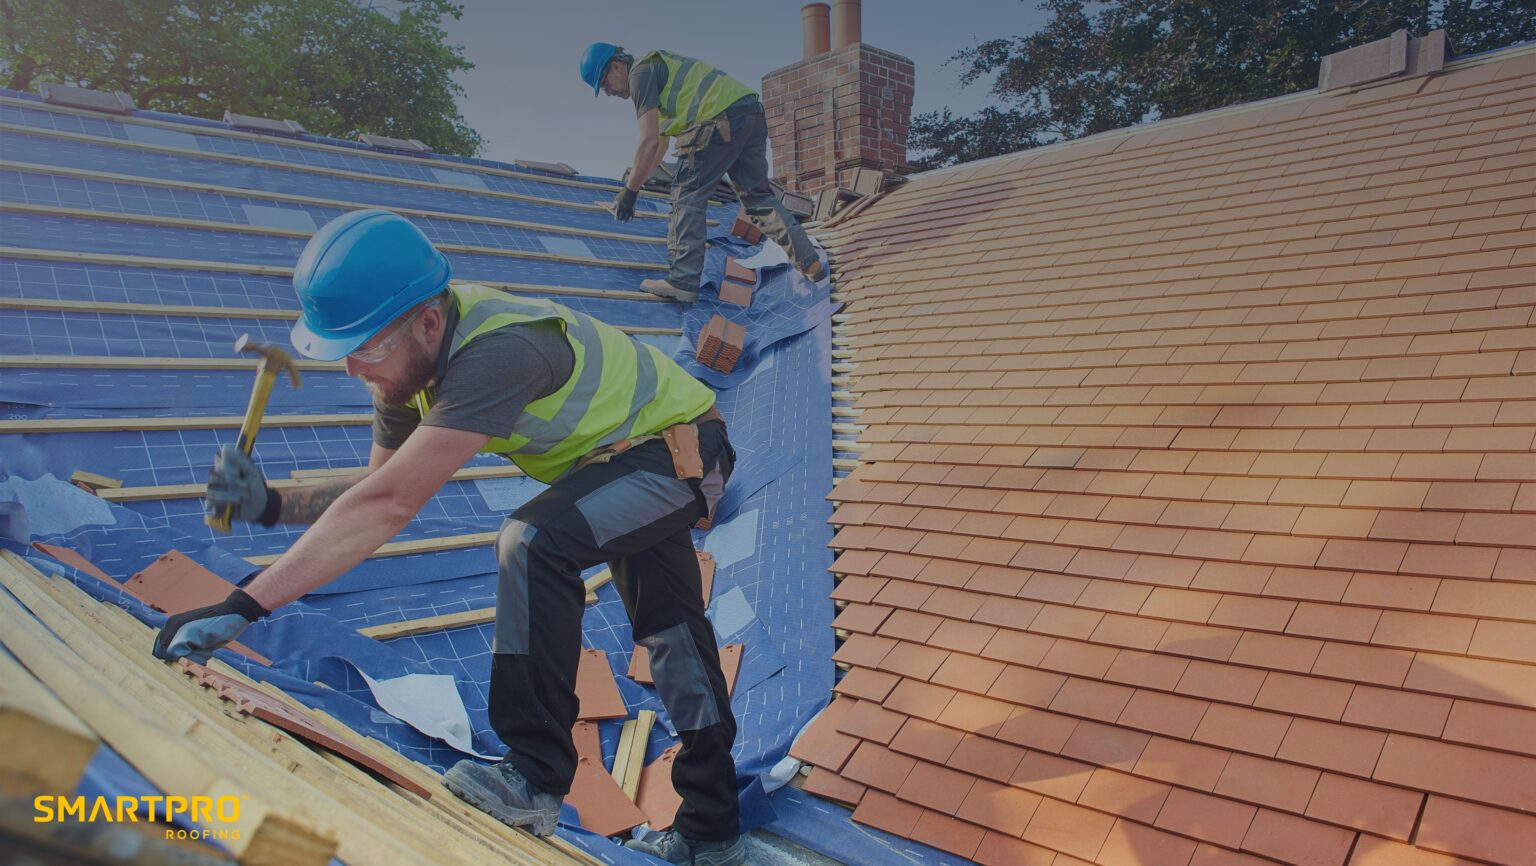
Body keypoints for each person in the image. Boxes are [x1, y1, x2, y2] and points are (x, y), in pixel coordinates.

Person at [153, 209, 747, 866]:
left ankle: (533, 776)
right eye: (343, 350)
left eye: (366, 348)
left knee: (531, 541)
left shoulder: (501, 352)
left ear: (428, 322)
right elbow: (377, 490)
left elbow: (388, 506)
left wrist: (244, 606)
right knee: (673, 639)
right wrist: (271, 505)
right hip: (620, 464)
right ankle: (713, 830)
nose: (353, 369)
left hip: (682, 450)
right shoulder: (405, 368)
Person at [580, 41, 824, 303]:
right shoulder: (659, 73)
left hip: (716, 120)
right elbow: (659, 145)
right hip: (749, 114)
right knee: (758, 199)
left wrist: (629, 193)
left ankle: (682, 280)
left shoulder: (640, 74)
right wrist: (635, 186)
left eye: (604, 83)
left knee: (686, 196)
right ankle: (811, 263)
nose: (608, 92)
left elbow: (648, 140)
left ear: (617, 66)